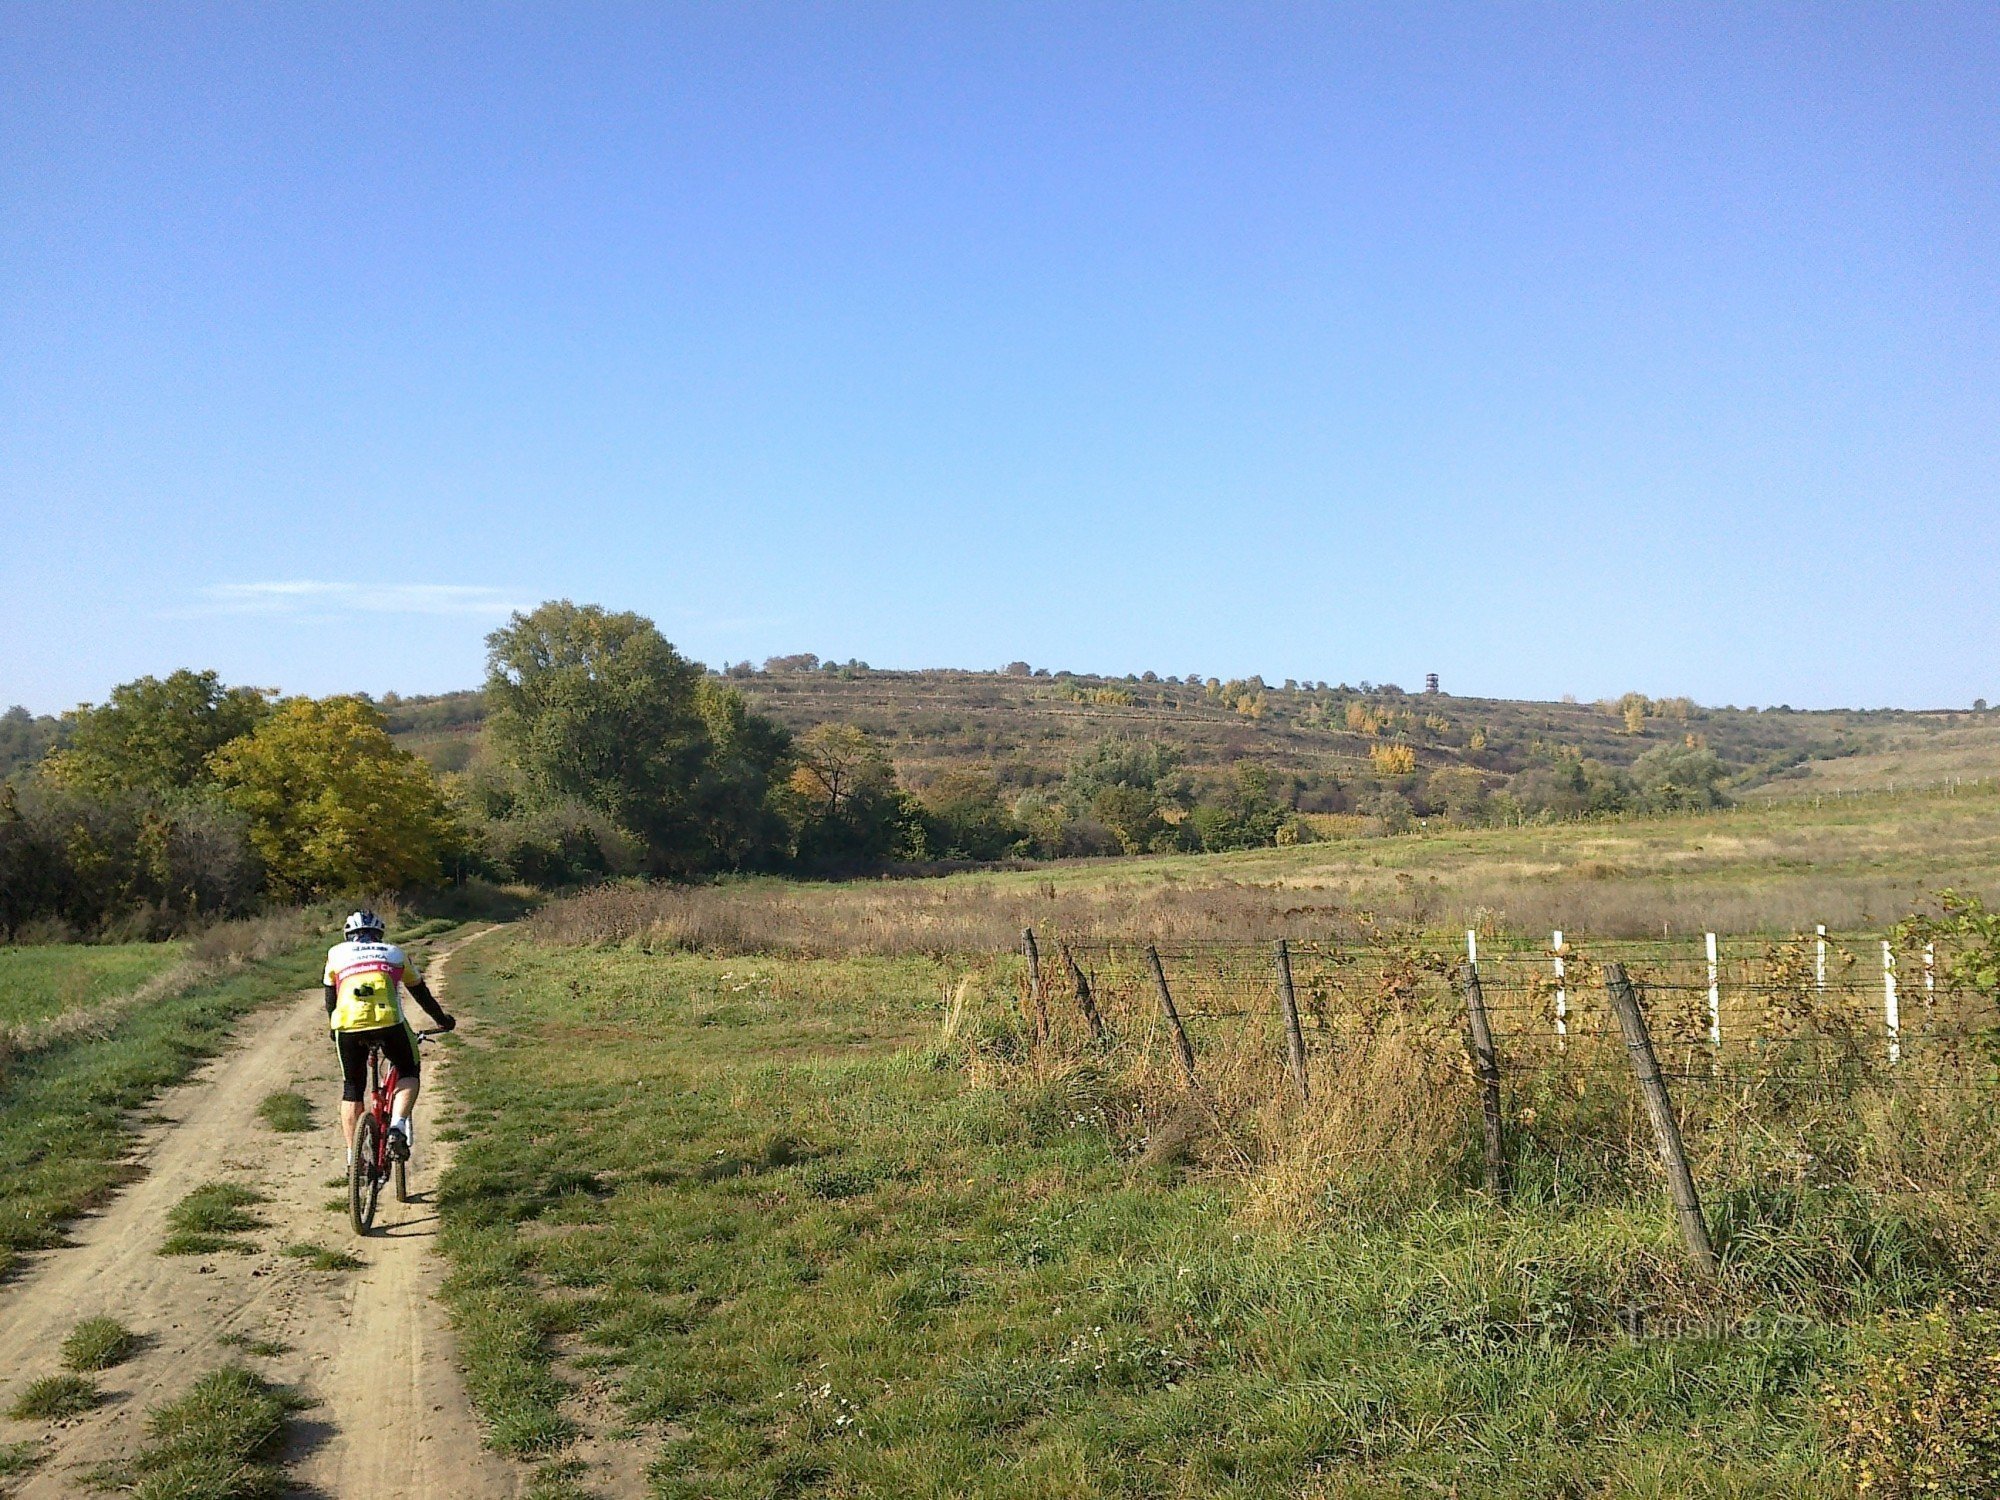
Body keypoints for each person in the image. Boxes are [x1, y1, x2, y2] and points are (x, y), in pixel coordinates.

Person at [324, 909, 454, 1166]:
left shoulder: (335, 953)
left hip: (348, 1024)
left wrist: (333, 1027)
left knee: (352, 1088)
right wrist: (442, 1020)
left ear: (348, 935)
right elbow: (420, 993)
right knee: (408, 1069)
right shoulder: (394, 953)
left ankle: (353, 1158)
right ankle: (397, 1127)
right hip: (388, 1022)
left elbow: (331, 998)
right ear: (379, 934)